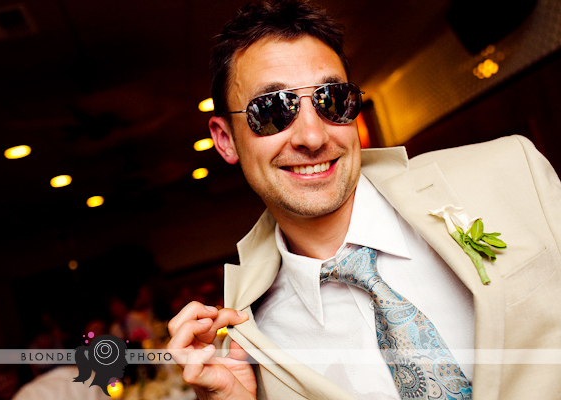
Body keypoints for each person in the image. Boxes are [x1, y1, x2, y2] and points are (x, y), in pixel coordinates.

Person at [167, 1, 561, 399]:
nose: (313, 137)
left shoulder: (512, 168)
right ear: (225, 139)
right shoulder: (255, 348)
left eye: (332, 99)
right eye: (271, 110)